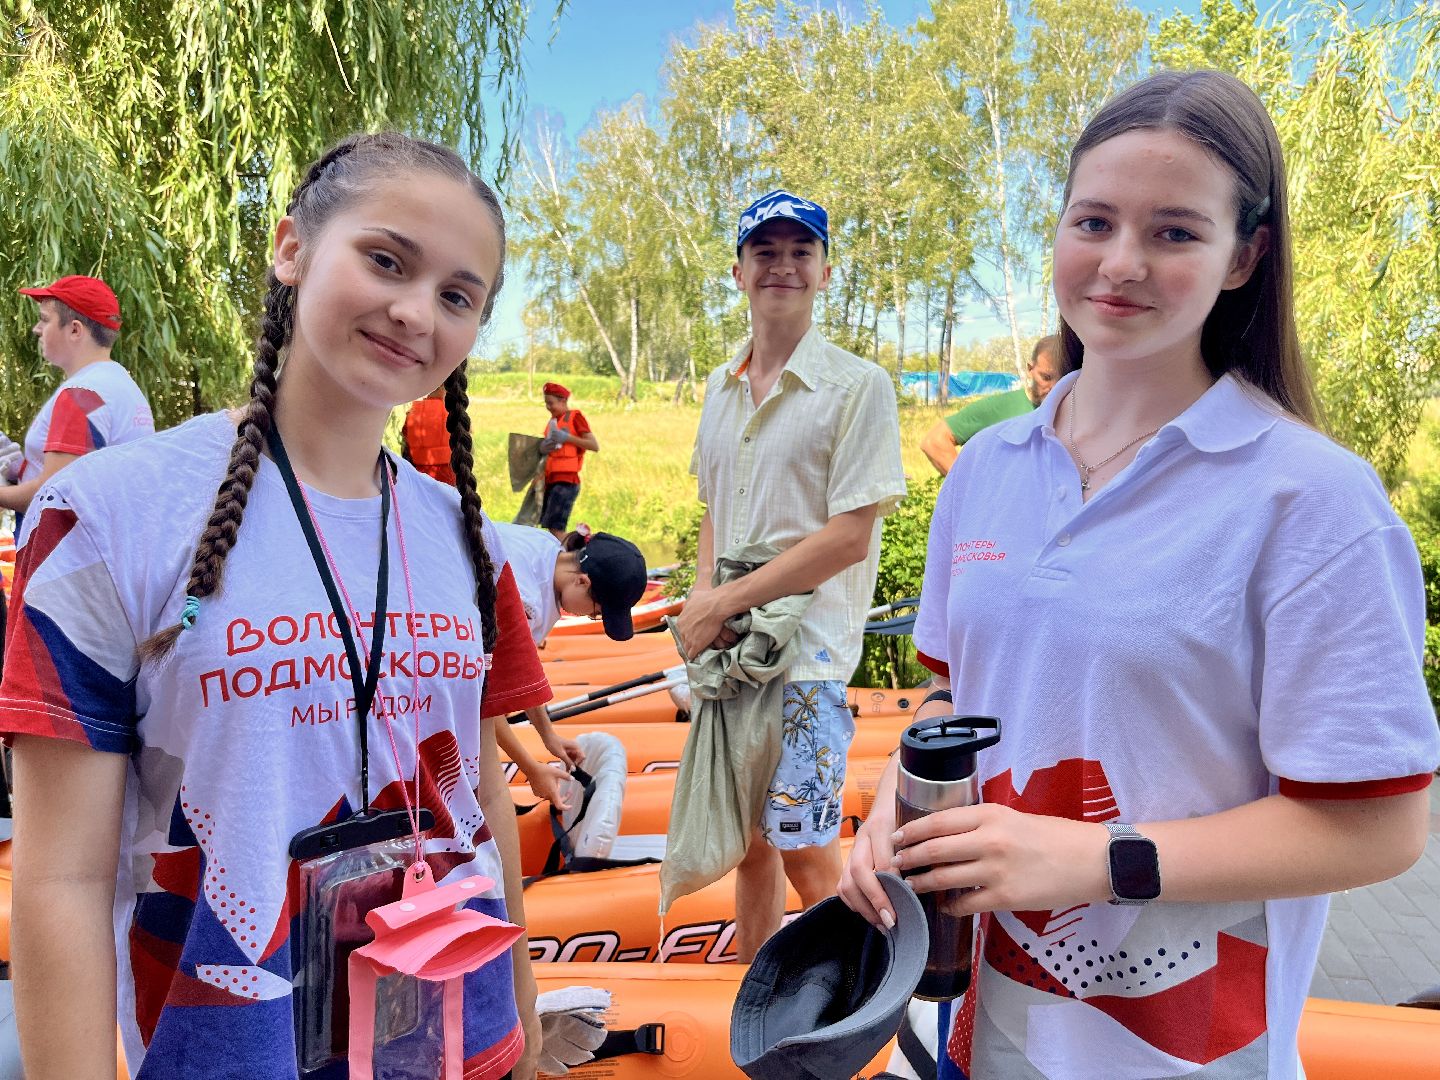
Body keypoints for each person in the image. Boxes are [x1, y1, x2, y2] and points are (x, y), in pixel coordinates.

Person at [840, 70, 1440, 1080]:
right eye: (1095, 221)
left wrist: (1100, 860)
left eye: (1174, 232)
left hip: (1184, 1053)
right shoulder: (986, 471)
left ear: (1245, 256)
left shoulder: (1314, 502)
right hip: (974, 1037)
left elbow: (1379, 828)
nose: (1120, 264)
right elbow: (957, 693)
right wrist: (901, 807)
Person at [0, 133, 553, 1079]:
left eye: (459, 296)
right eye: (386, 260)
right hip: (232, 1045)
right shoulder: (105, 516)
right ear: (292, 248)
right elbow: (61, 878)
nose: (417, 312)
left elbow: (482, 788)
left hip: (464, 1035)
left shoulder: (470, 540)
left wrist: (529, 1030)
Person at [677, 189, 906, 962]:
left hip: (805, 664)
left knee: (808, 847)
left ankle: (866, 998)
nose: (783, 266)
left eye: (800, 252)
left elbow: (849, 536)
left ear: (826, 271)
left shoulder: (856, 386)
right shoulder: (718, 387)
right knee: (750, 846)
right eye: (765, 252)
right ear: (737, 272)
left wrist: (726, 600)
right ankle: (755, 993)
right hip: (734, 656)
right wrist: (705, 609)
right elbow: (714, 508)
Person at [488, 523, 648, 807]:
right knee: (489, 789)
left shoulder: (545, 547)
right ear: (582, 582)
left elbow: (521, 665)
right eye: (596, 614)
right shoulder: (525, 597)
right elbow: (481, 700)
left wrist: (548, 736)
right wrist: (530, 767)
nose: (591, 618)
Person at [0, 275, 154, 520]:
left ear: (74, 329)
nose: (36, 329)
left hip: (74, 552)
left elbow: (52, 495)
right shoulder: (122, 386)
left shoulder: (81, 395)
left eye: (44, 320)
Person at [919, 335, 1062, 476]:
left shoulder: (1074, 414)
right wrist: (972, 490)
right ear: (1030, 369)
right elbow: (934, 441)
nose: (1054, 387)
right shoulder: (1002, 406)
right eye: (1046, 378)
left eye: (1063, 378)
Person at [537, 382, 598, 538]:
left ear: (563, 401)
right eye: (546, 403)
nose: (548, 407)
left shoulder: (575, 418)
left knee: (556, 528)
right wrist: (543, 447)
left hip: (567, 481)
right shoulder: (553, 422)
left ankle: (570, 556)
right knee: (550, 527)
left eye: (551, 403)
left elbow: (594, 445)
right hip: (552, 480)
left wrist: (567, 438)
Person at [401, 384, 456, 484]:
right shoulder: (452, 410)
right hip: (449, 470)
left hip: (419, 470)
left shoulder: (414, 410)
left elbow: (406, 437)